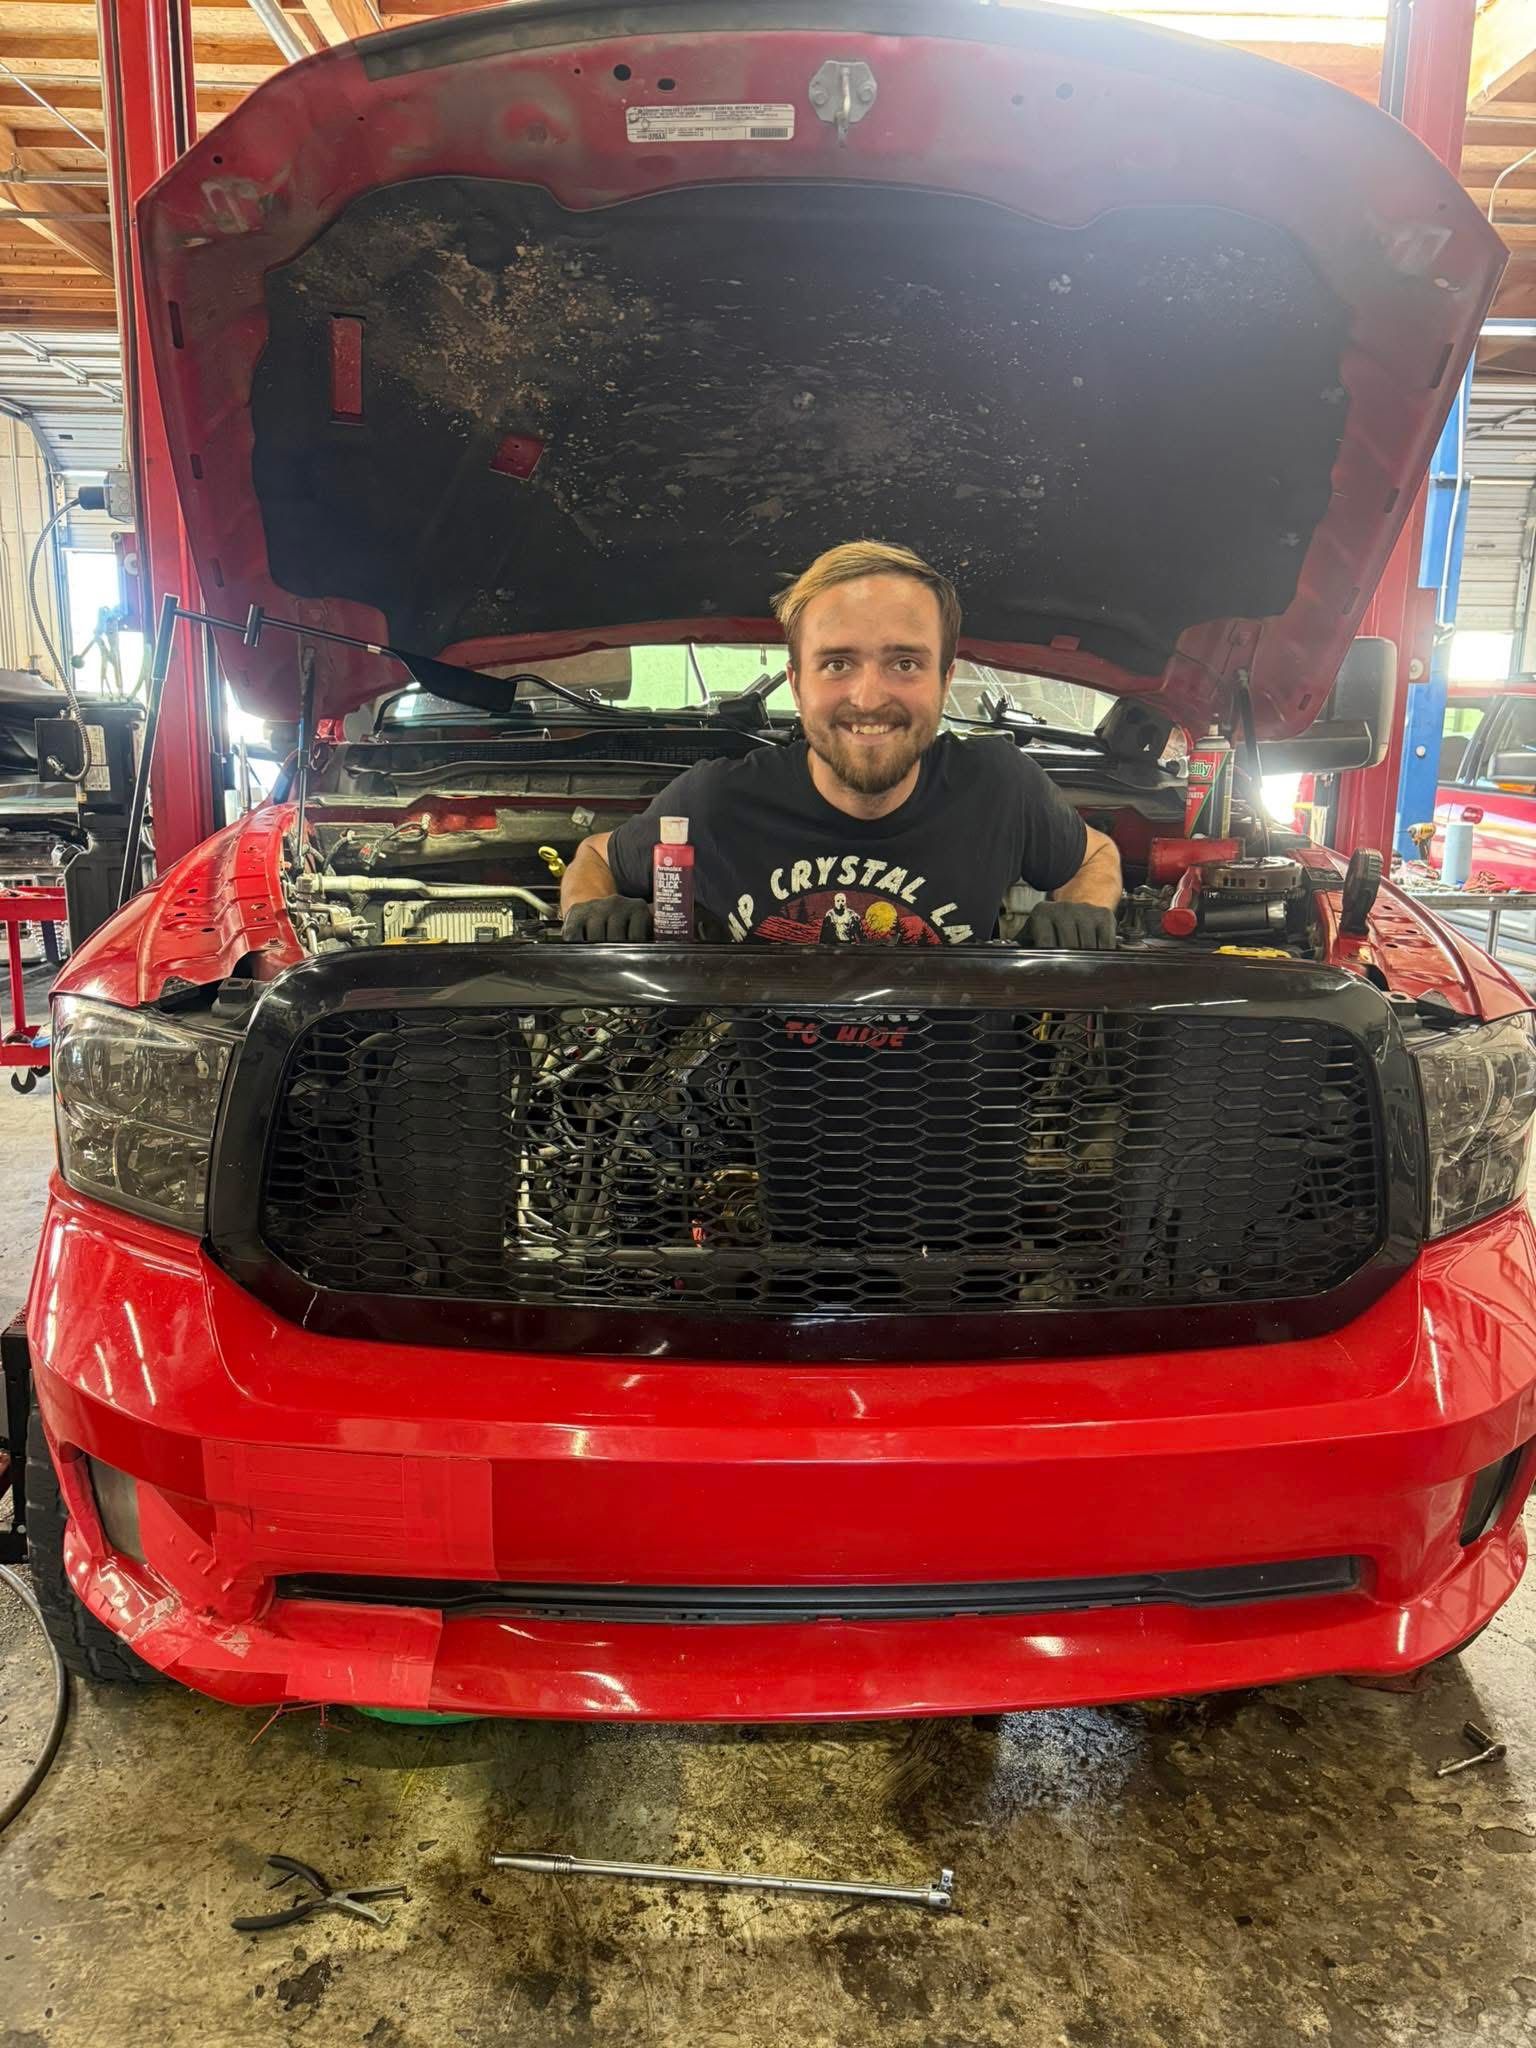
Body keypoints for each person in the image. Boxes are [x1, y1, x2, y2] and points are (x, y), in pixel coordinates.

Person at [561, 540, 1122, 947]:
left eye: (905, 662)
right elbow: (594, 855)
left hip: (967, 1110)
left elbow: (1096, 853)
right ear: (799, 683)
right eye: (836, 663)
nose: (869, 697)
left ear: (944, 682)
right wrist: (591, 906)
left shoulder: (1000, 785)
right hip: (766, 1114)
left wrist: (1081, 905)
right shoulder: (714, 804)